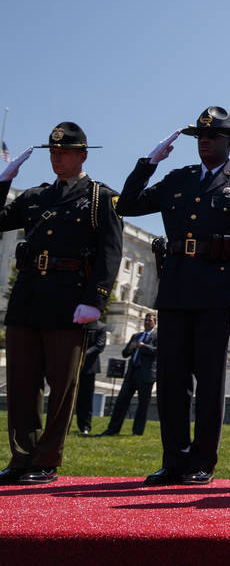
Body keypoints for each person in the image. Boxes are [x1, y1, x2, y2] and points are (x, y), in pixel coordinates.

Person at [117, 107, 230, 486]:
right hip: (176, 288)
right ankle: (174, 459)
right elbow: (128, 204)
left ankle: (202, 461)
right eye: (200, 138)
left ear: (229, 142)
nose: (205, 143)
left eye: (213, 137)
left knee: (208, 381)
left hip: (217, 291)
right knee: (171, 381)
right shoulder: (178, 179)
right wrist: (149, 162)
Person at [0, 122, 123, 485]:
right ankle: (22, 455)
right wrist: (4, 181)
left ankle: (47, 459)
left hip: (69, 300)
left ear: (82, 155)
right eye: (53, 153)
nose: (57, 158)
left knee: (61, 383)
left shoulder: (101, 198)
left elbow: (110, 253)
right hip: (28, 296)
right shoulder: (36, 197)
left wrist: (96, 300)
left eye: (65, 152)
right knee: (22, 382)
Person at [100, 313, 158, 436]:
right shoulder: (136, 336)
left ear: (155, 323)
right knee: (121, 401)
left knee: (143, 404)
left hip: (146, 374)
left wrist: (143, 347)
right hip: (132, 372)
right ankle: (113, 429)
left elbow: (157, 351)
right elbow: (125, 354)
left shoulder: (157, 336)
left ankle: (137, 431)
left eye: (150, 320)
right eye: (146, 320)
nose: (147, 322)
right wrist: (131, 348)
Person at [75, 320, 109, 435]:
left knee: (86, 399)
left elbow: (99, 346)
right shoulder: (80, 324)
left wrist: (82, 353)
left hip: (89, 368)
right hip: (74, 366)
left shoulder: (101, 327)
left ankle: (85, 426)